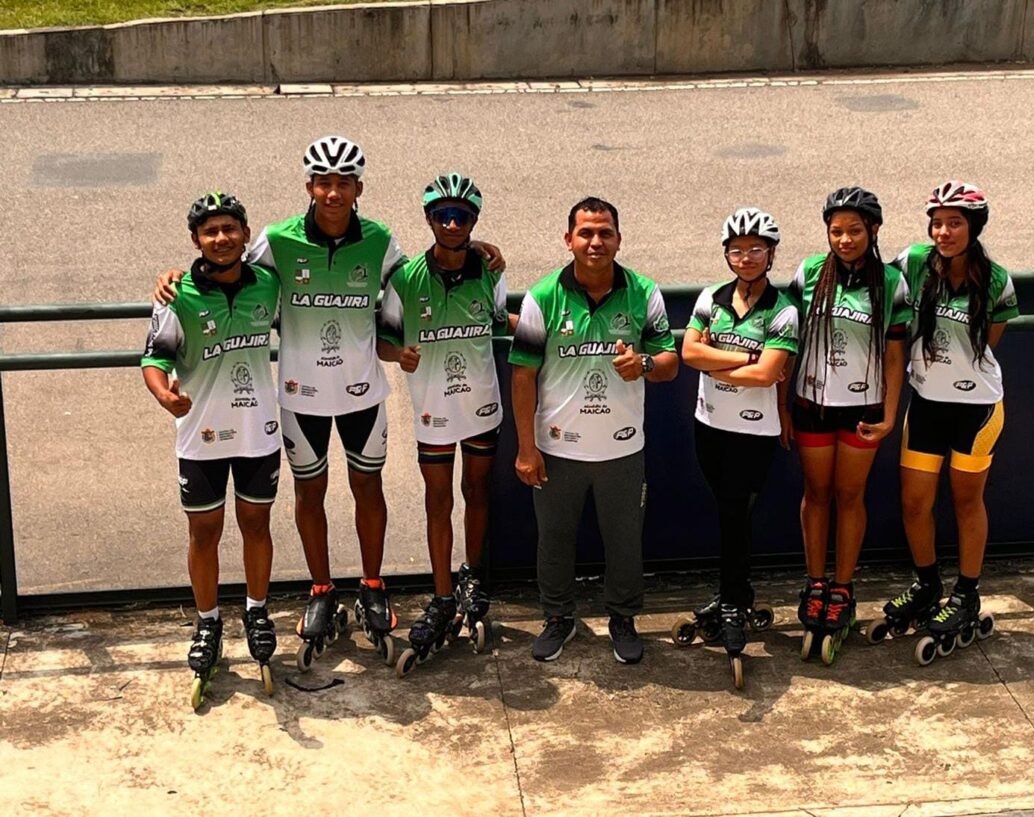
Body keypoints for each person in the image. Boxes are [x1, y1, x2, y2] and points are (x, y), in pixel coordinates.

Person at [154, 136, 504, 670]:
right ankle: (321, 589)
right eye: (323, 182)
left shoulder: (380, 240)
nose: (333, 192)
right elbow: (222, 265)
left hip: (363, 392)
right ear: (310, 186)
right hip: (301, 397)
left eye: (343, 183)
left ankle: (372, 585)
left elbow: (426, 270)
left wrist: (475, 249)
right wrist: (174, 276)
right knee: (309, 493)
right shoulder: (277, 240)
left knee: (369, 488)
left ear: (358, 188)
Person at [510, 196, 679, 664]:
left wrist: (644, 364)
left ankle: (622, 617)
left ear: (619, 239)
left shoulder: (644, 292)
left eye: (605, 233)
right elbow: (523, 375)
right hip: (557, 447)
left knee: (625, 541)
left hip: (622, 448)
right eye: (585, 232)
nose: (595, 242)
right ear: (568, 239)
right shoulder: (542, 296)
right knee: (554, 539)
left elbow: (670, 362)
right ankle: (557, 617)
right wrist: (526, 448)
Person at [142, 192, 280, 708]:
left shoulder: (270, 283)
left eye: (229, 229)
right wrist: (164, 395)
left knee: (256, 525)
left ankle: (257, 611)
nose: (221, 238)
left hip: (257, 430)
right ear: (196, 240)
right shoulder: (175, 295)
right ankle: (208, 623)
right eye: (210, 231)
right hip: (199, 435)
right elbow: (154, 358)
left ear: (246, 234)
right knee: (204, 532)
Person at [378, 173, 515, 676]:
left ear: (474, 221)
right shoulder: (405, 279)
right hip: (432, 407)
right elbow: (382, 339)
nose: (453, 224)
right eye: (443, 215)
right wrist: (399, 355)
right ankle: (441, 595)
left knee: (476, 491)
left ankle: (471, 577)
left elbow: (499, 322)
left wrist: (550, 332)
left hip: (481, 403)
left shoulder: (490, 271)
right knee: (438, 499)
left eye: (462, 216)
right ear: (429, 219)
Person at [877, 181, 1019, 665]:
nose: (943, 232)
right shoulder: (914, 262)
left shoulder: (996, 280)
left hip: (977, 409)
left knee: (965, 501)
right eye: (936, 223)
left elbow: (989, 342)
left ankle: (966, 594)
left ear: (973, 227)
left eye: (954, 223)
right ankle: (927, 584)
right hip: (926, 404)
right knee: (914, 503)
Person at [786, 186, 912, 664]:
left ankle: (842, 587)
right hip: (813, 403)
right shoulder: (808, 272)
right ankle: (815, 583)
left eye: (854, 230)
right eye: (836, 231)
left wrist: (890, 414)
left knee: (850, 495)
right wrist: (781, 406)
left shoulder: (892, 282)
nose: (844, 239)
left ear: (873, 230)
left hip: (864, 407)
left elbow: (896, 355)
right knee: (817, 493)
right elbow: (786, 343)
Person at [675, 207, 799, 688]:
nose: (745, 258)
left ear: (771, 254)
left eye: (755, 250)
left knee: (734, 511)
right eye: (736, 250)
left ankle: (731, 602)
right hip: (709, 424)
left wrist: (718, 360)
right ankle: (737, 592)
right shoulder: (711, 297)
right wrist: (746, 355)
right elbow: (689, 353)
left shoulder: (783, 310)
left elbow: (768, 375)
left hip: (754, 432)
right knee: (730, 513)